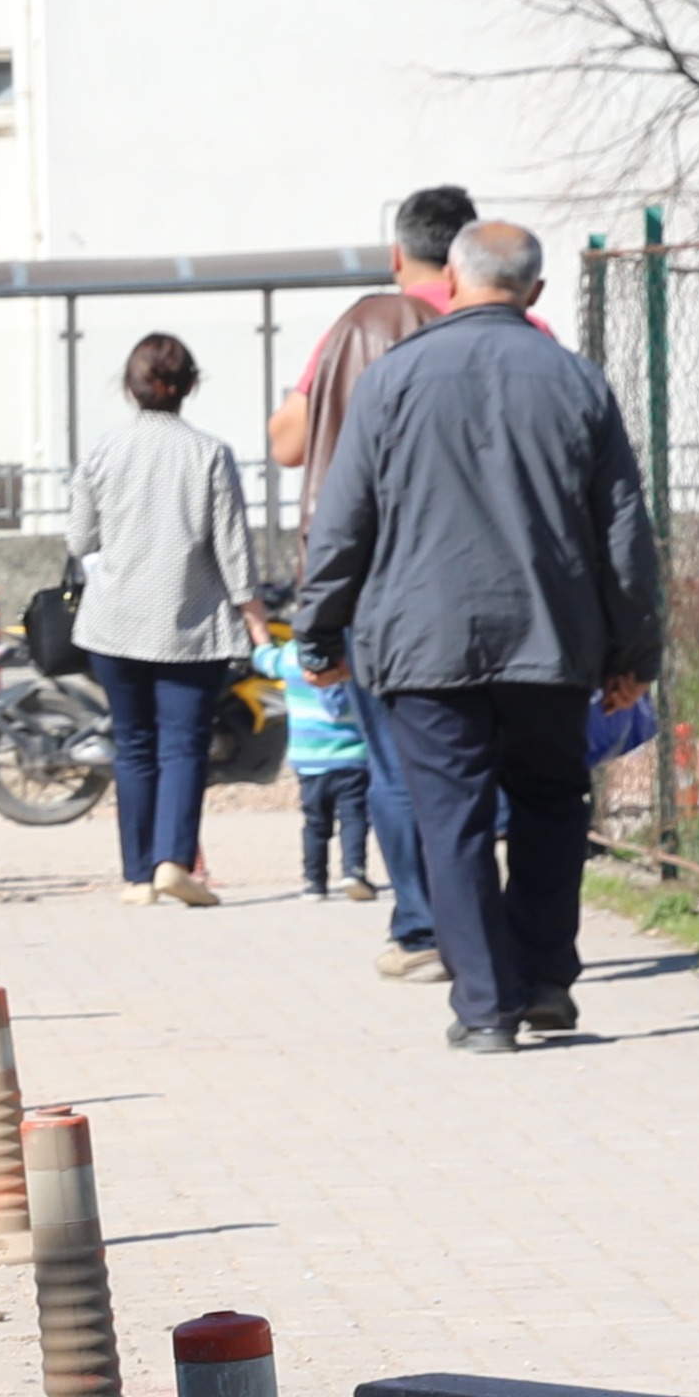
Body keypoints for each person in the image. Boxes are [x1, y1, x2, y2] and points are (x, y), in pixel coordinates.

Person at [296, 218, 659, 1053]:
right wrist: (633, 653)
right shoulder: (577, 382)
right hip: (550, 639)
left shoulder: (391, 381)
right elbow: (623, 535)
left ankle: (485, 1010)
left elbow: (342, 524)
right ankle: (544, 982)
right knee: (549, 805)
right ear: (533, 291)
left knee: (450, 818)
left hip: (422, 646)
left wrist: (318, 632)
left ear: (451, 284)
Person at [280, 185, 472, 979]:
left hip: (369, 587)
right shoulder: (509, 322)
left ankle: (422, 929)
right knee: (480, 763)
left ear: (398, 256)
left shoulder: (350, 327)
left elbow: (290, 442)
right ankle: (485, 929)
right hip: (475, 577)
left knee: (394, 762)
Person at [68, 332, 259, 905]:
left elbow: (80, 538)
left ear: (129, 389)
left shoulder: (102, 451)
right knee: (182, 745)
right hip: (189, 626)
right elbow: (232, 550)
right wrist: (252, 614)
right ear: (191, 387)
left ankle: (135, 877)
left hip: (114, 625)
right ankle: (174, 862)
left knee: (132, 744)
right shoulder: (209, 454)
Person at [262, 615, 377, 899]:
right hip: (352, 756)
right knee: (354, 818)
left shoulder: (290, 655)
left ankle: (314, 883)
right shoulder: (352, 657)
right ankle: (353, 871)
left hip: (309, 759)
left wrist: (258, 635)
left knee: (315, 823)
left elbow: (264, 661)